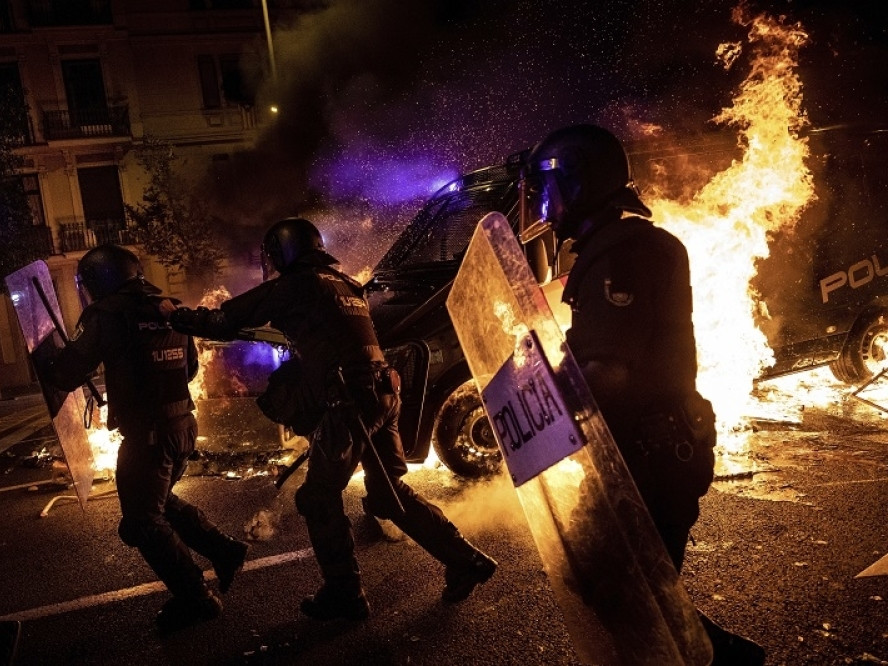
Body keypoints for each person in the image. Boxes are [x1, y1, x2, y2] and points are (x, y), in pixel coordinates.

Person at [164, 217, 497, 621]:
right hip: (382, 394)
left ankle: (345, 595)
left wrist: (178, 316)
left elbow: (225, 321)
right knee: (387, 493)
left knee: (318, 498)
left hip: (350, 403)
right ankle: (466, 560)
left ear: (284, 252)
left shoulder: (299, 284)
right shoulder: (344, 284)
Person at [519, 124, 766, 665]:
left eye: (547, 187)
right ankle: (723, 658)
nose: (541, 203)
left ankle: (719, 659)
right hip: (641, 453)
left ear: (578, 182)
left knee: (628, 596)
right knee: (627, 590)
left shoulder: (624, 254)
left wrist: (539, 406)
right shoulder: (615, 247)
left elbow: (609, 371)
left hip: (653, 459)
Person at [42, 244, 249, 632]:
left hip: (148, 436)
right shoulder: (168, 307)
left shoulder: (105, 314)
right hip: (182, 426)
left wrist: (46, 360)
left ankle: (196, 597)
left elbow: (66, 372)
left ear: (98, 280)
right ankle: (224, 550)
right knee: (159, 503)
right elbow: (189, 370)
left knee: (141, 522)